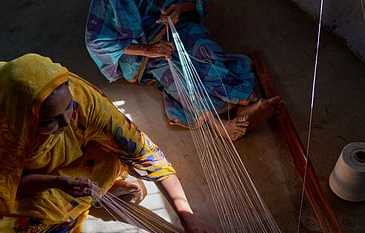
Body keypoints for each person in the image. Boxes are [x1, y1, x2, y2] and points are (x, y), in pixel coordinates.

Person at [0, 53, 224, 233]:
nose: (66, 122)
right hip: (28, 182)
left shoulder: (86, 104)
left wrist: (187, 216)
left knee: (115, 150)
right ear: (21, 120)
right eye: (50, 120)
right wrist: (57, 183)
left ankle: (91, 194)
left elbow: (145, 154)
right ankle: (91, 196)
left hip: (84, 164)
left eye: (68, 108)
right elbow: (10, 184)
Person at [85, 0, 282, 141]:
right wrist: (147, 50)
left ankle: (241, 107)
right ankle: (218, 125)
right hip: (141, 47)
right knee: (175, 73)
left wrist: (180, 7)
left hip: (179, 25)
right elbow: (96, 41)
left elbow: (199, 3)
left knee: (205, 53)